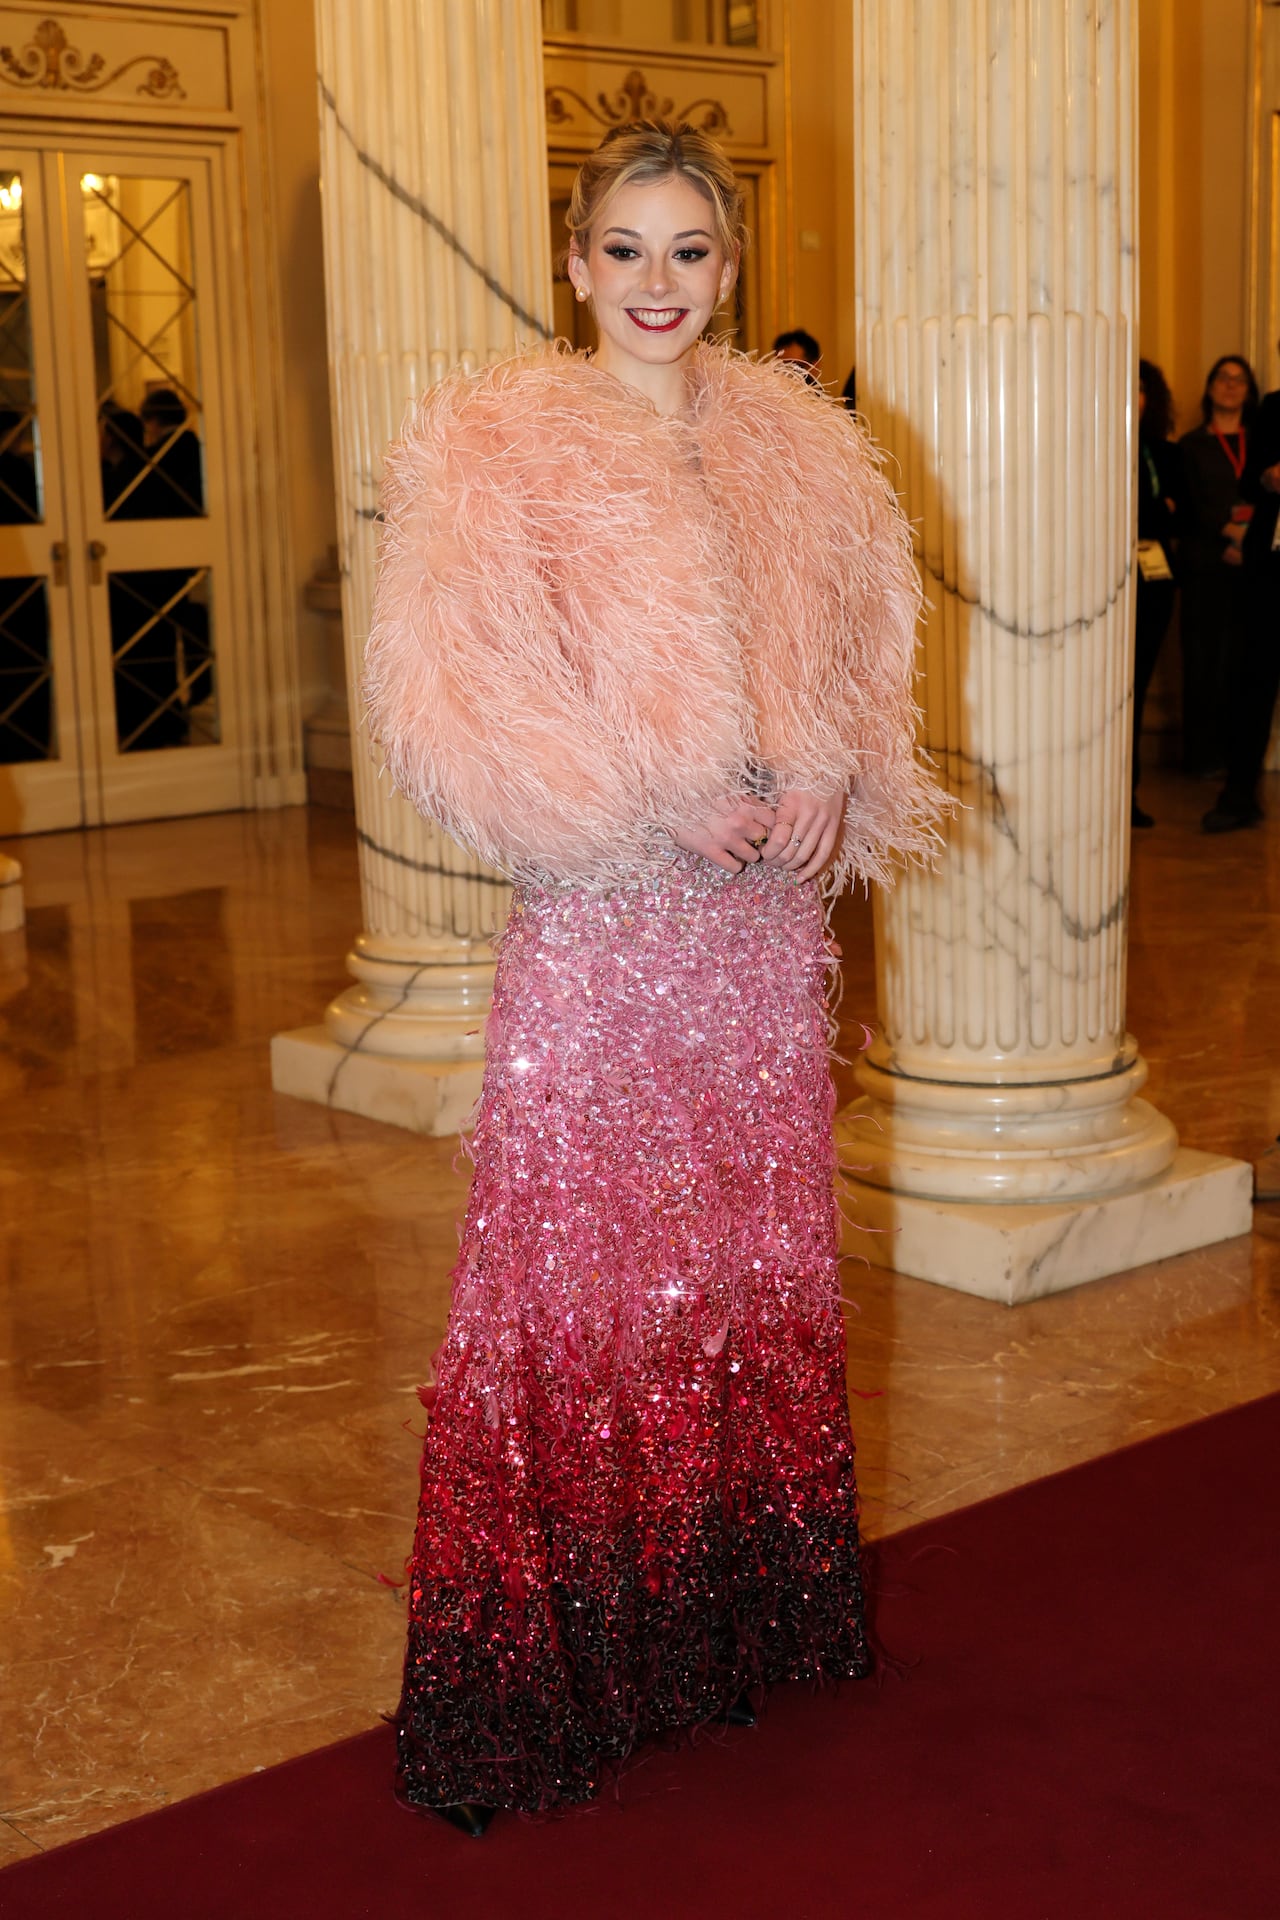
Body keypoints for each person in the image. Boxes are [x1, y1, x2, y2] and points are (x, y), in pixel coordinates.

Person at [366, 120, 945, 1834]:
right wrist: (646, 799)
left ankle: (729, 1622)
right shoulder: (493, 446)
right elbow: (458, 704)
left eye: (689, 249)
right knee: (583, 1276)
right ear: (572, 262)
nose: (658, 285)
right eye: (624, 248)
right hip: (609, 929)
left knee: (745, 1263)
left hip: (761, 933)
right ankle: (571, 1666)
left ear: (731, 263)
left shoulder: (806, 451)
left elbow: (856, 652)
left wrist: (839, 763)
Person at [1203, 365, 1280, 831]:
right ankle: (1238, 796)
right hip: (1272, 566)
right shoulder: (1274, 408)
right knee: (1252, 682)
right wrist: (1270, 478)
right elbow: (1250, 480)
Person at [1176, 355, 1260, 776]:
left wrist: (1248, 538)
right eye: (1223, 379)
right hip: (1206, 563)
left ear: (1250, 390)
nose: (1231, 386)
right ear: (1210, 388)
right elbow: (1189, 504)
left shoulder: (1263, 443)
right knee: (1203, 659)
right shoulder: (1191, 445)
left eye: (1239, 380)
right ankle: (1200, 756)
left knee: (1243, 660)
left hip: (1254, 563)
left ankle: (1237, 756)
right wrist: (1228, 531)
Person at [1131, 360, 1181, 828]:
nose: (1136, 395)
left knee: (1139, 686)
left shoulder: (1164, 453)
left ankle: (1130, 794)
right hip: (1112, 577)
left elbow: (1174, 515)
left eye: (1143, 388)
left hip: (1156, 580)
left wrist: (1160, 509)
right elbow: (1155, 509)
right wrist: (1158, 508)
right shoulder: (1100, 447)